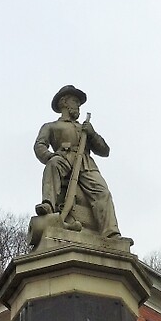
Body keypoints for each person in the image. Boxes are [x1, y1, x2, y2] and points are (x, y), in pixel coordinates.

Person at [34, 85, 122, 238]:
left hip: (85, 164)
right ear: (64, 102)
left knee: (103, 192)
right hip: (63, 159)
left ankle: (111, 232)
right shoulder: (51, 126)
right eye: (75, 101)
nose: (78, 106)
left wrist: (92, 134)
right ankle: (48, 204)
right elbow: (39, 145)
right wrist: (50, 156)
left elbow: (104, 151)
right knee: (53, 165)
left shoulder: (85, 128)